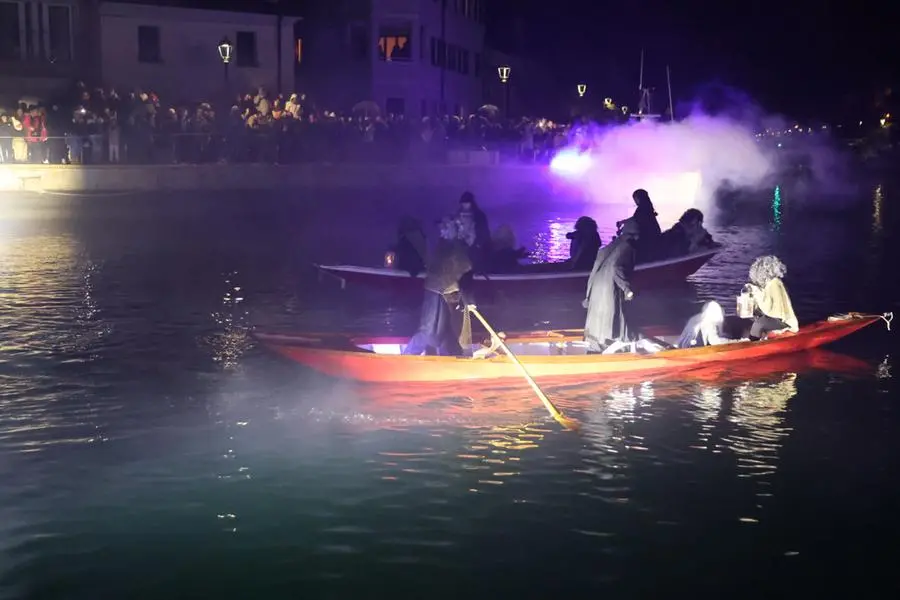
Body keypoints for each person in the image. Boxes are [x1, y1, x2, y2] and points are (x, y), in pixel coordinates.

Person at [402, 216, 475, 356]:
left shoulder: (456, 247)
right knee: (429, 331)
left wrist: (468, 300)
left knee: (444, 331)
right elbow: (458, 273)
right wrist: (468, 300)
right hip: (436, 290)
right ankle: (405, 359)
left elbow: (463, 275)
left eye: (446, 228)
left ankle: (452, 359)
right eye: (443, 228)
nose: (443, 231)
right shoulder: (448, 246)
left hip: (445, 293)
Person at [582, 218, 639, 354]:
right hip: (609, 288)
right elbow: (616, 267)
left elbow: (595, 268)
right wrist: (627, 289)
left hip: (596, 287)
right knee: (614, 318)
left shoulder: (610, 246)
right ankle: (619, 349)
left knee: (598, 321)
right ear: (635, 235)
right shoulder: (627, 247)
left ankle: (595, 349)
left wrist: (588, 295)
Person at [744, 255, 799, 340]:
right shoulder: (769, 284)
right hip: (775, 317)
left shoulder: (774, 283)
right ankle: (756, 339)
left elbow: (768, 305)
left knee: (759, 324)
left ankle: (752, 345)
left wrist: (755, 291)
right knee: (753, 321)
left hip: (783, 321)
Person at [616, 189, 661, 260]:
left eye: (635, 199)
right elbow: (635, 219)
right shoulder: (647, 207)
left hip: (648, 238)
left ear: (639, 198)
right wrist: (622, 223)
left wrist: (622, 227)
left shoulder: (642, 209)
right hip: (652, 235)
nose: (635, 201)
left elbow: (636, 220)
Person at [457, 191, 491, 271]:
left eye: (467, 203)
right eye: (463, 203)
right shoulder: (458, 215)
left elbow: (484, 232)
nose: (464, 205)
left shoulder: (479, 216)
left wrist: (478, 244)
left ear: (471, 203)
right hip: (462, 247)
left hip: (476, 248)